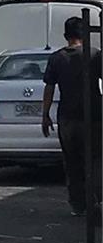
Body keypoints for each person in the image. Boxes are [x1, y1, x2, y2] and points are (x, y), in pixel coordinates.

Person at [42, 14, 102, 219]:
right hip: (93, 116)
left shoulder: (57, 58)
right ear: (84, 34)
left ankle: (78, 204)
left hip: (67, 118)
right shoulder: (95, 55)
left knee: (72, 162)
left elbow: (49, 88)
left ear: (66, 35)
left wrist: (45, 115)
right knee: (94, 159)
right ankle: (96, 200)